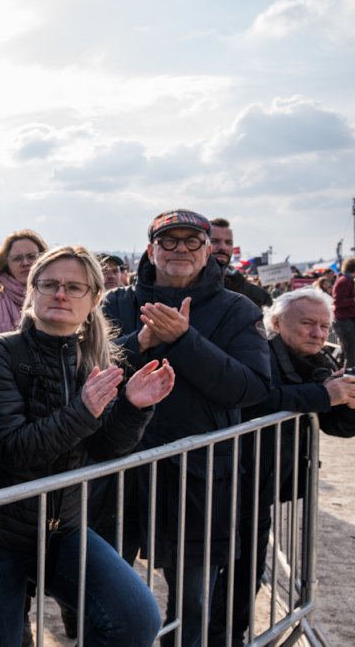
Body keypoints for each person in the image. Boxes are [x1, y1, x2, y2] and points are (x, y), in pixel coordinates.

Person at [0, 245, 171, 647]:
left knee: (136, 618)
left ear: (93, 301)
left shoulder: (94, 360)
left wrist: (133, 408)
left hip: (60, 525)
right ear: (32, 291)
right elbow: (11, 451)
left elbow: (105, 449)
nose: (61, 294)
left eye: (74, 287)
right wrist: (84, 410)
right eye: (49, 284)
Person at [101, 209, 270, 647]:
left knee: (192, 603)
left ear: (209, 249)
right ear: (151, 248)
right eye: (168, 240)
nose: (179, 249)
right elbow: (86, 369)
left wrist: (184, 340)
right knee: (105, 593)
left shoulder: (238, 309)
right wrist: (137, 344)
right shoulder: (116, 304)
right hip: (121, 471)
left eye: (191, 241)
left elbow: (250, 388)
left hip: (201, 477)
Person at [208, 288, 355, 645]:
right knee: (215, 573)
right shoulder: (258, 354)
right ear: (276, 322)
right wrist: (322, 394)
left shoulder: (318, 362)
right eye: (307, 323)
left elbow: (336, 425)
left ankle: (230, 637)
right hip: (227, 479)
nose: (318, 333)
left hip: (263, 485)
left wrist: (348, 401)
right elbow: (255, 402)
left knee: (247, 573)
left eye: (324, 326)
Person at [209, 217, 272, 308]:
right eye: (214, 241)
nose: (223, 247)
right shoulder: (186, 287)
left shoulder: (257, 297)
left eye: (228, 242)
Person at [330, 257, 355, 368]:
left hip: (345, 320)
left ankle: (342, 374)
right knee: (351, 352)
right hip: (344, 321)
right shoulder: (345, 281)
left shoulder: (346, 280)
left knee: (347, 351)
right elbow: (338, 302)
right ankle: (349, 378)